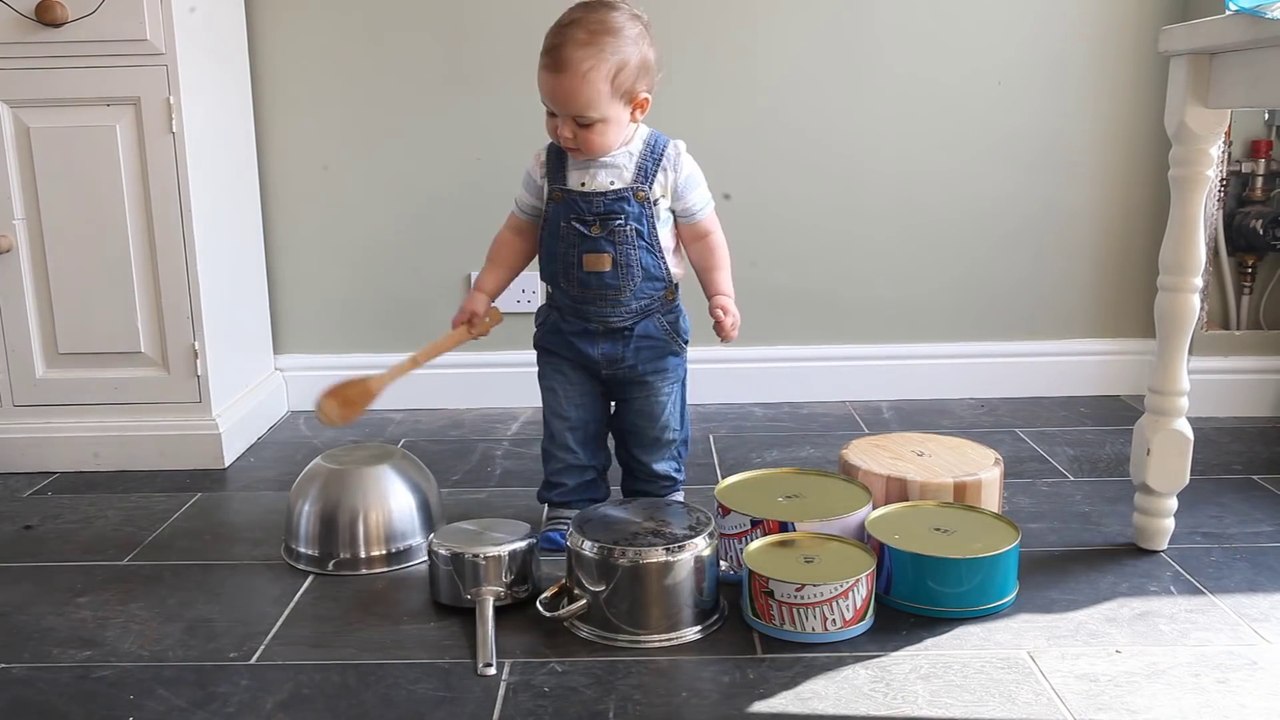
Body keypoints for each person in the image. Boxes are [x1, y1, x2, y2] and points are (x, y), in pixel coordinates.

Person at [452, 0, 739, 552]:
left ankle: (657, 511)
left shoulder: (668, 162)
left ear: (637, 107)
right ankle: (570, 510)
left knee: (655, 435)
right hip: (569, 333)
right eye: (550, 113)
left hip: (650, 334)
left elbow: (703, 233)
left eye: (582, 121)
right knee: (569, 433)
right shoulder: (547, 167)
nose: (563, 131)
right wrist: (485, 290)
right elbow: (518, 232)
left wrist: (720, 293)